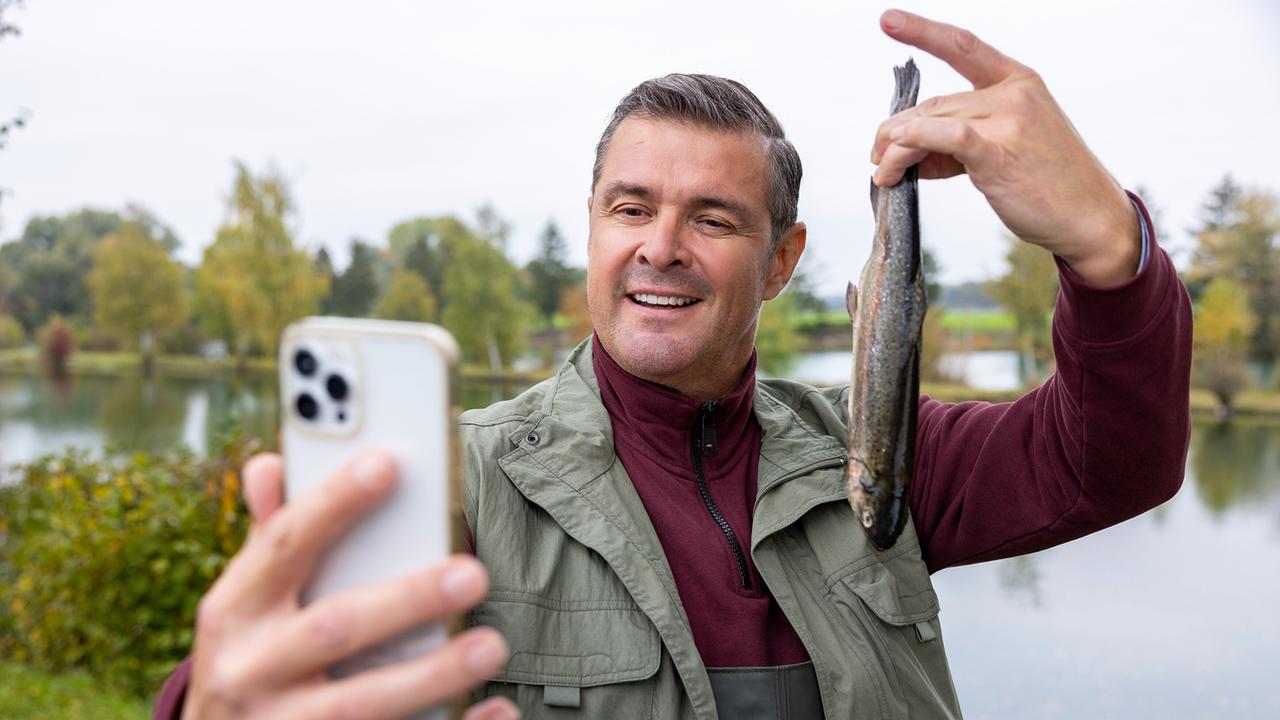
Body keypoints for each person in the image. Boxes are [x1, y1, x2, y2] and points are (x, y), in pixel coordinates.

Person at [156, 9, 1191, 720]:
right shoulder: (450, 485)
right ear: (593, 231)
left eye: (712, 218)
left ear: (782, 261)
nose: (659, 245)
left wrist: (1106, 249)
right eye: (630, 207)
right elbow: (281, 678)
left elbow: (1112, 462)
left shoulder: (885, 451)